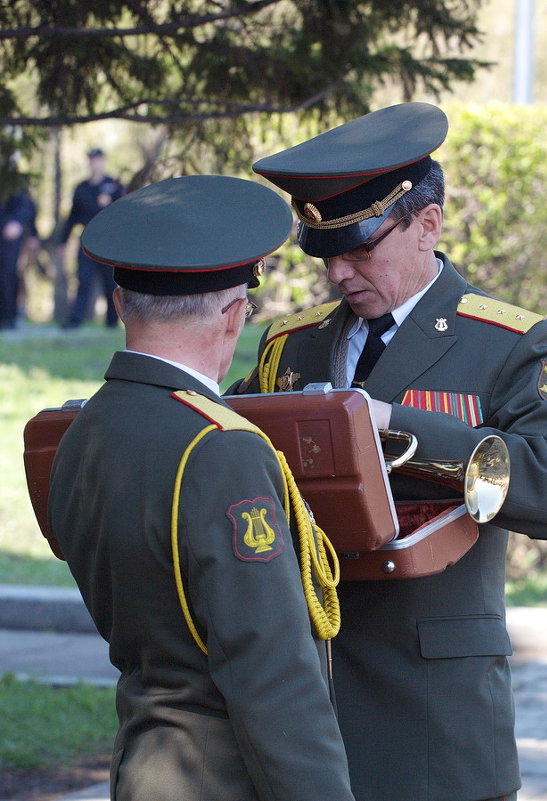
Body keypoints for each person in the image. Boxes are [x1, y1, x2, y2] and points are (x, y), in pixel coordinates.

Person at [229, 103, 547, 801]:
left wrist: (396, 424)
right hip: (308, 713)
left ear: (427, 224)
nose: (339, 272)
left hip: (435, 716)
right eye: (325, 253)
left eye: (360, 249)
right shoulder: (291, 345)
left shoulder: (510, 342)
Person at [48, 175, 356, 801]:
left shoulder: (83, 429)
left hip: (143, 763)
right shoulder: (221, 449)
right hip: (221, 777)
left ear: (119, 302)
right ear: (232, 311)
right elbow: (270, 676)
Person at [58, 147, 125, 328]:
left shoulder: (114, 185)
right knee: (83, 280)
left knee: (110, 282)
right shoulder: (81, 188)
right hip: (86, 241)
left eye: (97, 159)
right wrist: (63, 243)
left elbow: (124, 212)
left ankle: (112, 321)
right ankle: (76, 319)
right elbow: (72, 217)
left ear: (102, 161)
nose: (94, 163)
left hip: (108, 242)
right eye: (91, 159)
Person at [0, 190, 38, 329]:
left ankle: (8, 317)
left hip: (7, 233)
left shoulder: (15, 185)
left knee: (7, 274)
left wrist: (18, 222)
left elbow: (27, 204)